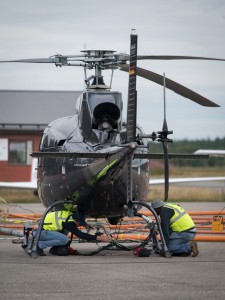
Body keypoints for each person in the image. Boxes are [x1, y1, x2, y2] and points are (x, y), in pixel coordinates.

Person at [33, 207, 112, 256]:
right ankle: (40, 245)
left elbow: (75, 222)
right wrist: (99, 238)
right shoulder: (69, 223)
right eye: (79, 223)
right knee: (64, 239)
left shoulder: (70, 215)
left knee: (65, 232)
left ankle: (55, 249)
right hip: (39, 233)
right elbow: (81, 235)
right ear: (75, 220)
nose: (79, 225)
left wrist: (85, 225)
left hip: (41, 230)